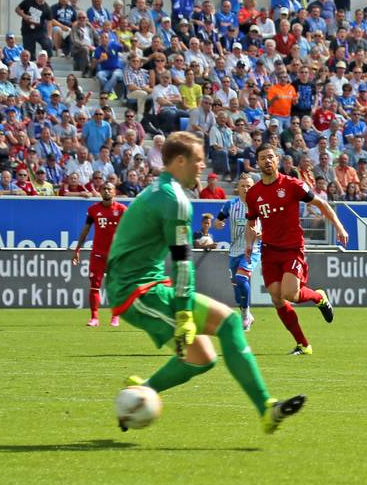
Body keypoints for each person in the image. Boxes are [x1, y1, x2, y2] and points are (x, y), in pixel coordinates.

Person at [104, 132, 306, 435]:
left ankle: (264, 409)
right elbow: (184, 262)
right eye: (198, 161)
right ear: (180, 161)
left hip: (149, 284)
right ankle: (263, 407)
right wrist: (184, 315)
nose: (202, 167)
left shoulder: (161, 192)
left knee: (214, 344)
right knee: (214, 341)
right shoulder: (174, 201)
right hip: (135, 293)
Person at [244, 145, 349, 355]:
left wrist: (339, 226)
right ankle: (303, 344)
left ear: (277, 159)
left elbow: (320, 203)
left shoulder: (291, 184)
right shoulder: (254, 193)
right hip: (269, 251)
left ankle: (319, 297)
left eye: (270, 157)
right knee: (276, 296)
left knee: (290, 293)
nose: (267, 161)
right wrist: (249, 242)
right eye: (263, 158)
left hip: (292, 248)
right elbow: (252, 221)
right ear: (258, 162)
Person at [71, 181, 125, 327]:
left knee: (115, 286)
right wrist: (77, 249)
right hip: (98, 253)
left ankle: (115, 316)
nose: (107, 191)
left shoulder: (122, 210)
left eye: (110, 189)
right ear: (100, 192)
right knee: (94, 285)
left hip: (115, 255)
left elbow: (129, 232)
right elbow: (86, 230)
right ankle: (94, 318)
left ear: (114, 192)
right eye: (104, 189)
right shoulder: (93, 209)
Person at [214, 175, 259, 331]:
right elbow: (218, 221)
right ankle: (246, 313)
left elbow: (269, 226)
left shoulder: (260, 205)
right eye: (243, 186)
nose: (246, 189)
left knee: (241, 278)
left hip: (252, 250)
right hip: (234, 251)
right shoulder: (230, 205)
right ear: (238, 188)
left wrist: (262, 234)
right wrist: (219, 224)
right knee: (236, 291)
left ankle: (245, 315)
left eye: (249, 186)